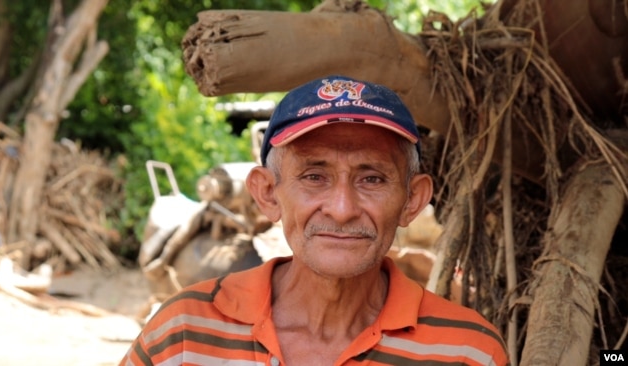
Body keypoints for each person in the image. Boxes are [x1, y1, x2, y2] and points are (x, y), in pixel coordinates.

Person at [120, 75, 509, 366]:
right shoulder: (185, 333)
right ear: (268, 194)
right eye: (314, 177)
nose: (342, 209)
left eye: (371, 178)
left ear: (413, 200)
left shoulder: (467, 353)